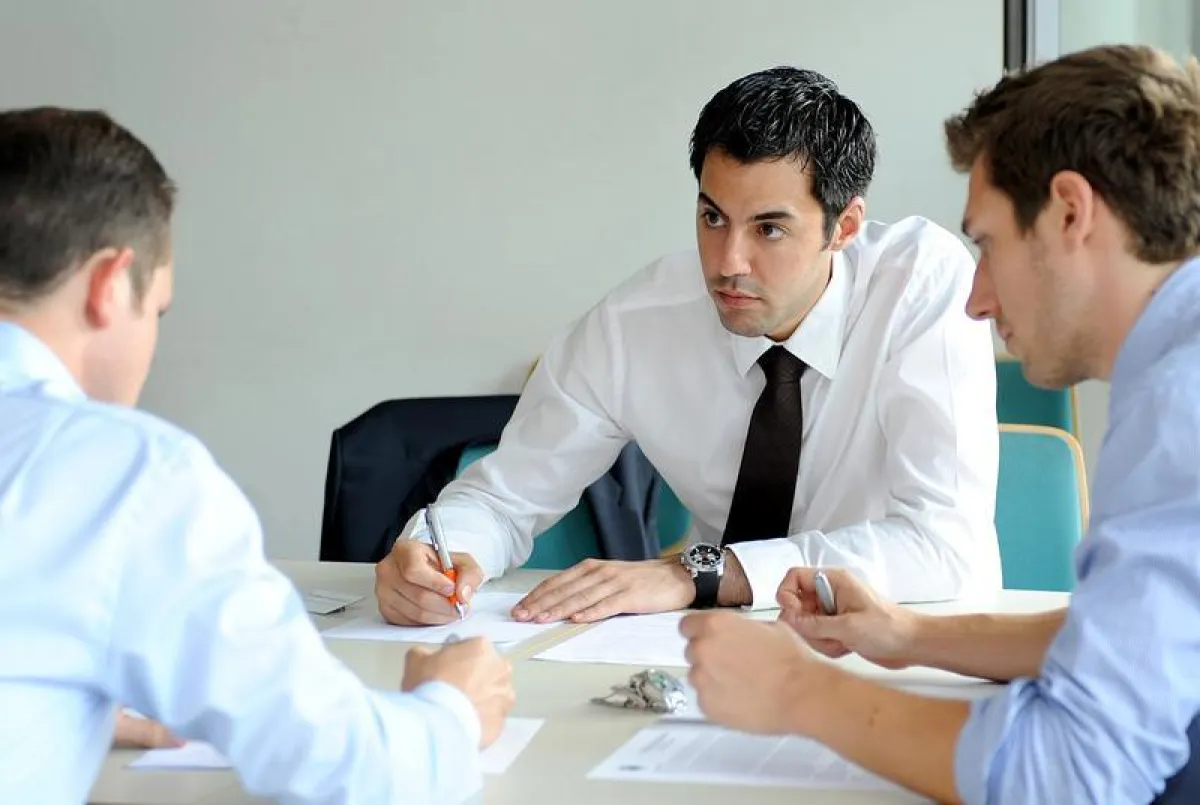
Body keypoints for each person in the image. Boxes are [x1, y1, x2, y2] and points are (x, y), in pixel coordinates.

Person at [680, 44, 1200, 804]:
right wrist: (908, 637)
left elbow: (1068, 772)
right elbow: (1140, 641)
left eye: (986, 244)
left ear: (1069, 212)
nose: (976, 298)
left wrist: (801, 694)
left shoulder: (1179, 403)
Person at [0, 107, 515, 805]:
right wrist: (451, 708)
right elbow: (342, 769)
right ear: (110, 284)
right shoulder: (122, 472)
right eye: (158, 310)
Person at [375, 66, 1001, 628]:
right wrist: (439, 553)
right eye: (712, 217)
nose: (729, 263)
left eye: (770, 229)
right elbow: (501, 497)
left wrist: (696, 572)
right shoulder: (639, 323)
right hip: (706, 651)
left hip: (903, 644)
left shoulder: (919, 287)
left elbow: (945, 546)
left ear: (844, 228)